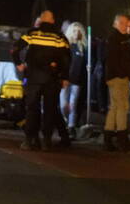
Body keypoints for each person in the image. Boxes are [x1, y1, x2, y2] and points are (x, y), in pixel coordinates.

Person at [13, 10, 71, 151]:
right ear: (52, 21)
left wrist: (19, 63)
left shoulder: (32, 34)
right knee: (50, 110)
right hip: (51, 79)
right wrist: (64, 77)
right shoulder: (59, 37)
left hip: (32, 78)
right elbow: (66, 59)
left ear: (42, 20)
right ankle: (46, 141)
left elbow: (15, 48)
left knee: (32, 109)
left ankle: (30, 140)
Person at [103, 13, 130, 151]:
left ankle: (109, 137)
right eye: (122, 23)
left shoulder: (121, 38)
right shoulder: (115, 39)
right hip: (118, 77)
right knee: (121, 107)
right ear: (116, 23)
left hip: (118, 76)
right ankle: (122, 139)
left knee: (115, 107)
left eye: (126, 23)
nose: (125, 26)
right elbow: (114, 60)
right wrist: (124, 73)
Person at [61, 21, 87, 137]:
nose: (77, 33)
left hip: (77, 81)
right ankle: (64, 123)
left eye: (79, 31)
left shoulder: (83, 48)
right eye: (75, 30)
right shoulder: (66, 46)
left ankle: (71, 127)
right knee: (63, 104)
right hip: (65, 79)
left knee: (73, 104)